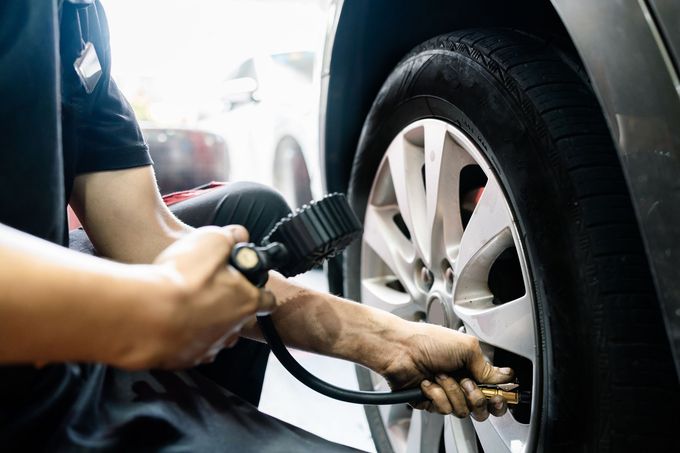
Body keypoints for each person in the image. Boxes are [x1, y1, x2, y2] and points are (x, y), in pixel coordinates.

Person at [0, 1, 513, 450]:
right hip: (26, 384)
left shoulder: (74, 21)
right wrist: (145, 310)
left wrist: (392, 340)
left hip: (59, 325)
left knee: (250, 209)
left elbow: (148, 237)